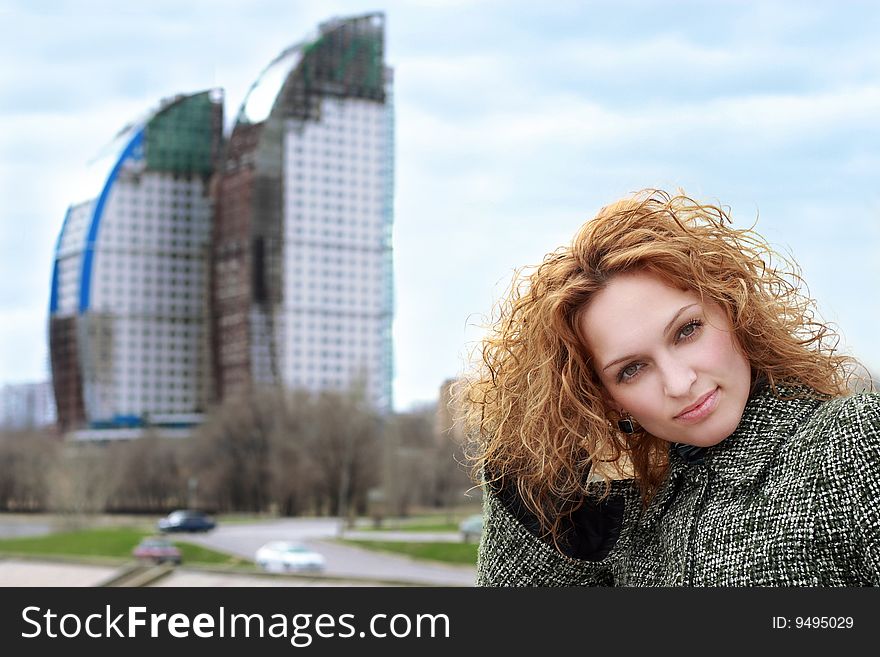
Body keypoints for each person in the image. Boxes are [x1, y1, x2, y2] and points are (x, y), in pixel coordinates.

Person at [456, 188, 880, 586]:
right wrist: (531, 491)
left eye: (687, 330)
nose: (680, 384)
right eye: (632, 369)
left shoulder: (853, 442)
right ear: (603, 398)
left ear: (733, 307)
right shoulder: (628, 520)